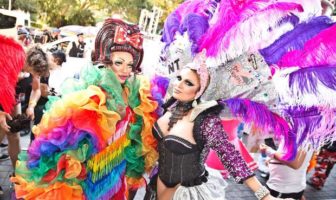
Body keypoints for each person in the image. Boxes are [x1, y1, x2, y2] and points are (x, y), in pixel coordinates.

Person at [12, 18, 159, 200]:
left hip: (116, 171)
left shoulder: (135, 91)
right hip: (91, 178)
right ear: (106, 61)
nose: (125, 71)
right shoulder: (91, 96)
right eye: (118, 63)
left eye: (130, 65)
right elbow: (63, 146)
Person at [150, 54, 276, 200]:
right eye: (179, 78)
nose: (179, 85)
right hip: (157, 184)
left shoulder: (206, 121)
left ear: (200, 91)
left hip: (185, 193)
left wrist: (265, 196)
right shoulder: (172, 105)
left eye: (188, 83)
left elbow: (231, 157)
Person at [0, 35, 26, 195]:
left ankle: (17, 174)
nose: (22, 74)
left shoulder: (27, 66)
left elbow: (35, 88)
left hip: (10, 103)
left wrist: (23, 111)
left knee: (14, 137)